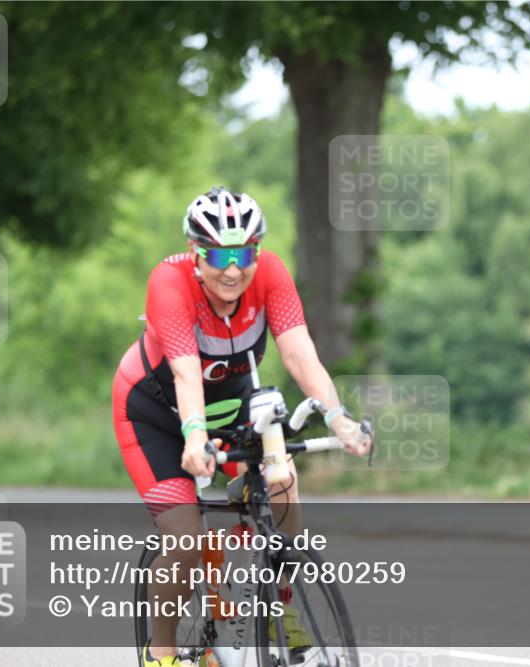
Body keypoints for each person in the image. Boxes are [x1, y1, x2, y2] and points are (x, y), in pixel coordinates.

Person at [112, 186, 371, 667]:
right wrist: (193, 437)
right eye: (220, 255)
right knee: (186, 541)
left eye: (245, 253)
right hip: (155, 414)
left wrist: (338, 417)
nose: (234, 269)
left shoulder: (268, 273)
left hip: (231, 406)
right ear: (196, 252)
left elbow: (299, 353)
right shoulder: (169, 282)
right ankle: (161, 653)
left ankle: (279, 606)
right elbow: (187, 370)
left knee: (282, 482)